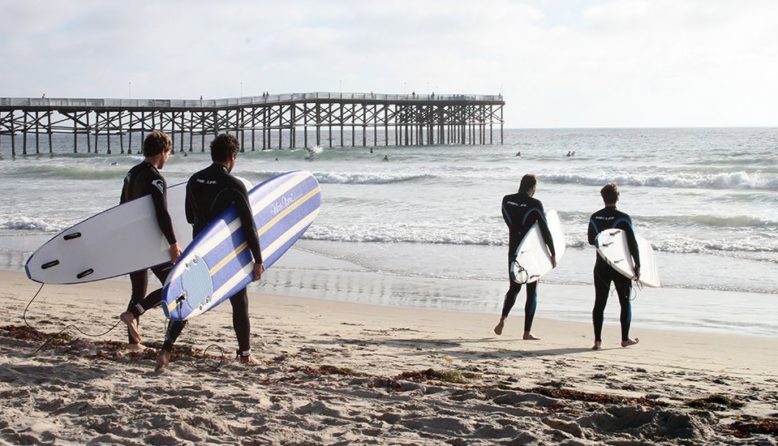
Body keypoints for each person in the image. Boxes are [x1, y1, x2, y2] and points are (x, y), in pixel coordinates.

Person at [156, 133, 264, 370]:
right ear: (233, 156)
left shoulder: (194, 180)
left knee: (190, 296)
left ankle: (166, 349)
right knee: (239, 301)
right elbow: (249, 225)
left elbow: (188, 216)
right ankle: (245, 354)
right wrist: (258, 259)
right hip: (226, 252)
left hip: (200, 248)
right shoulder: (234, 185)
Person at [118, 130, 181, 350]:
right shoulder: (156, 178)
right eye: (168, 153)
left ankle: (133, 343)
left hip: (131, 241)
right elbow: (162, 213)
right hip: (149, 244)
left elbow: (121, 207)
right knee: (172, 286)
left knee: (138, 292)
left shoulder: (131, 174)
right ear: (163, 151)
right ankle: (134, 313)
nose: (167, 158)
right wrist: (173, 243)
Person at [494, 174, 556, 340]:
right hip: (530, 252)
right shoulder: (535, 204)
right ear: (533, 187)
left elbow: (510, 222)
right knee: (532, 291)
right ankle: (527, 332)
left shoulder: (506, 200)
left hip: (513, 249)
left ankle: (502, 320)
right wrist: (552, 253)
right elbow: (545, 229)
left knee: (514, 288)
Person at [587, 183, 640, 350]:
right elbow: (632, 243)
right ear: (617, 197)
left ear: (603, 198)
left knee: (599, 303)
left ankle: (597, 341)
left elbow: (590, 240)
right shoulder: (623, 218)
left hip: (601, 265)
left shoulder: (594, 217)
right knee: (624, 302)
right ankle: (625, 338)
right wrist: (637, 264)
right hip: (619, 267)